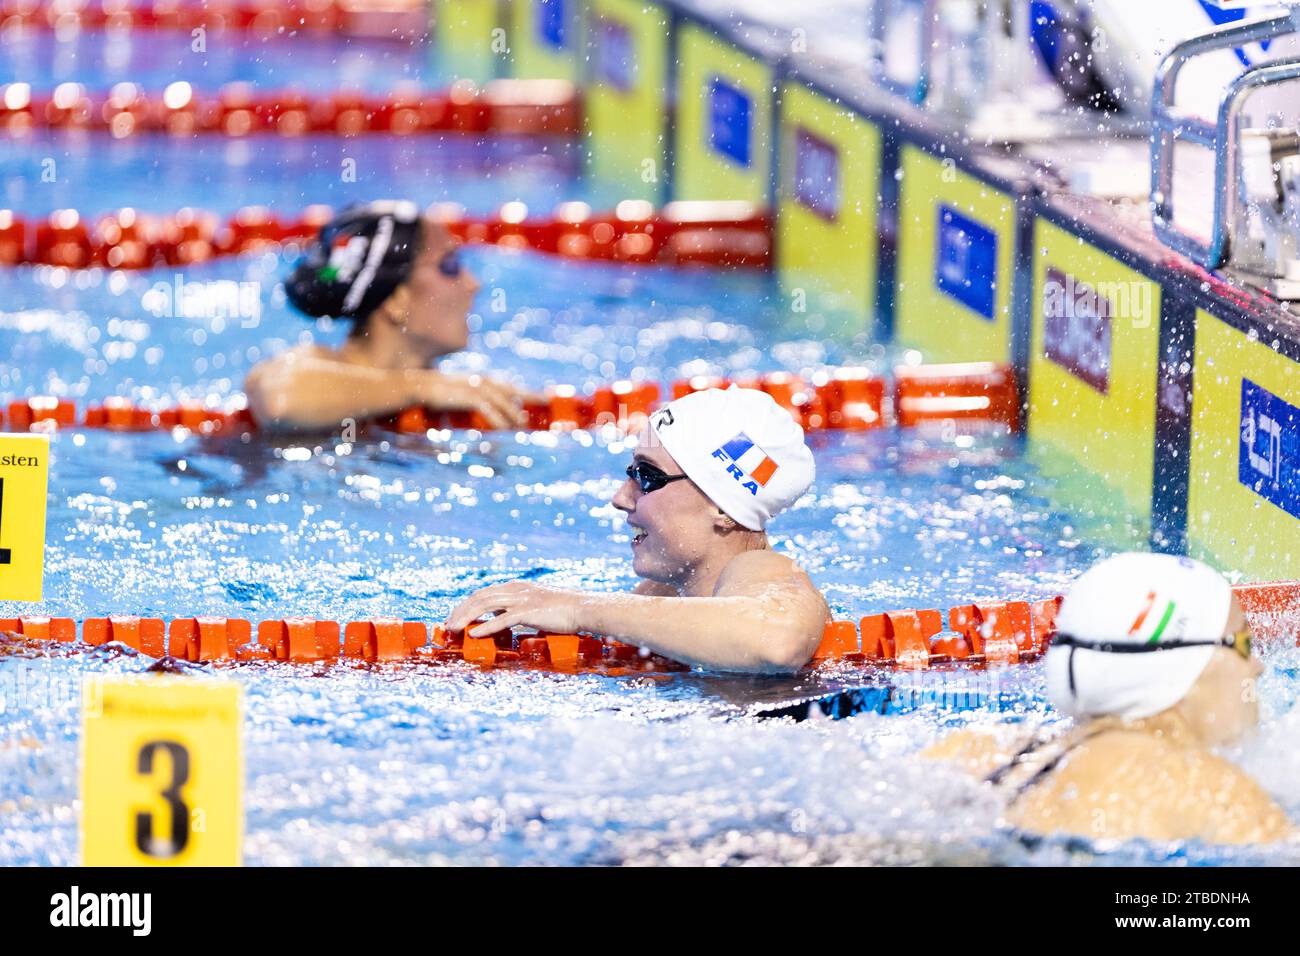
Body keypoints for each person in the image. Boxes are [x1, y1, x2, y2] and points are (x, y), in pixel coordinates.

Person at [446, 386, 830, 673]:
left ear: (722, 507)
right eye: (631, 473)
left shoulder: (764, 571)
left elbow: (777, 641)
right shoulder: (665, 595)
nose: (620, 497)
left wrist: (579, 608)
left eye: (646, 476)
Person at [926, 553, 1293, 845]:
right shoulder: (1209, 789)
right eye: (1244, 644)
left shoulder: (977, 754)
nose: (1257, 667)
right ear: (1185, 667)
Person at [244, 200, 528, 433]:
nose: (472, 284)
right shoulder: (318, 365)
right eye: (450, 265)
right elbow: (280, 400)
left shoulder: (450, 391)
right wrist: (423, 386)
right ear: (396, 301)